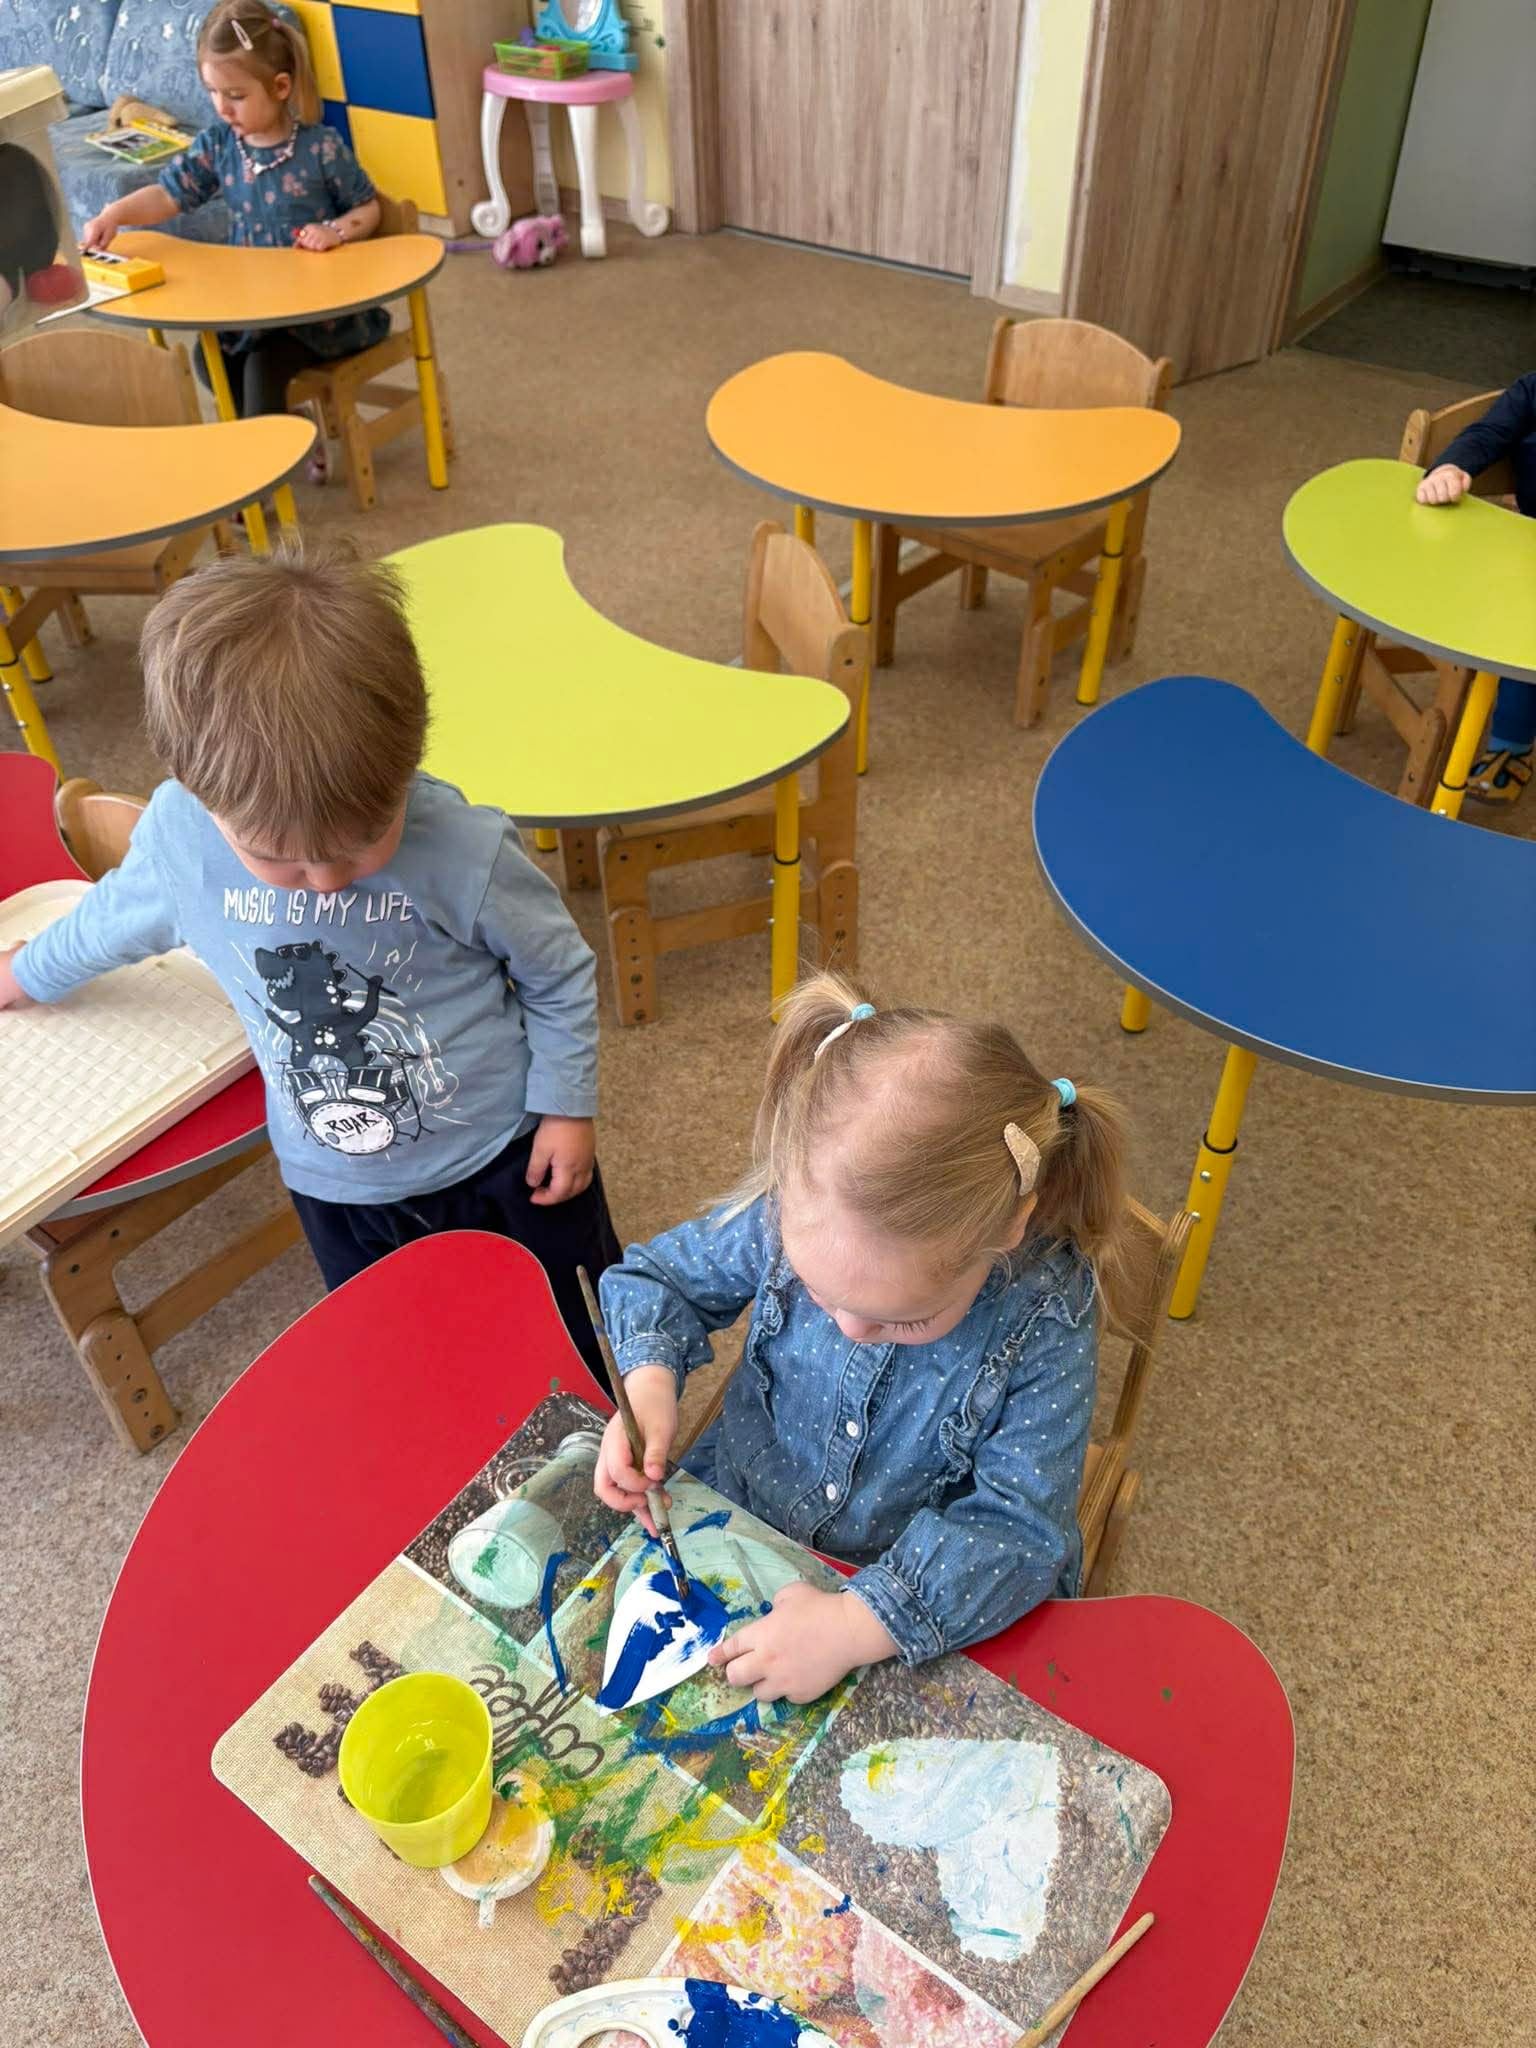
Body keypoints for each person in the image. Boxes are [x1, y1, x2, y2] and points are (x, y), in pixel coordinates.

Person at [0, 547, 622, 1379]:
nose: (327, 881)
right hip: (337, 1186)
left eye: (363, 843)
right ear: (199, 795)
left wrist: (567, 1108)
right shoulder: (182, 836)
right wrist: (25, 973)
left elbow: (558, 971)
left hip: (505, 1158)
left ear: (407, 762)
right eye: (280, 859)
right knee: (406, 1358)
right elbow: (111, 922)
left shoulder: (461, 847)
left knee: (575, 1339)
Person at [593, 972, 1138, 1704]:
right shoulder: (797, 1205)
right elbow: (659, 1281)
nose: (849, 1327)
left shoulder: (1047, 1314)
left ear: (1010, 1225)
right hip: (745, 1507)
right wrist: (648, 1385)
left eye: (903, 1319)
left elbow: (1018, 1532)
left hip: (918, 1597)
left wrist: (854, 1625)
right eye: (818, 1293)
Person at [80, 1, 387, 479]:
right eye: (213, 93)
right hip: (252, 310)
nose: (222, 108)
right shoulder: (220, 145)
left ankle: (258, 480)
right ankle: (284, 434)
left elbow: (369, 207)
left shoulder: (321, 148)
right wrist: (114, 215)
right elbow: (169, 194)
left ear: (280, 87)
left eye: (236, 95)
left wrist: (336, 231)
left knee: (261, 367)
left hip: (318, 318)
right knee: (210, 359)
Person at [1416, 375, 1536, 803]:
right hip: (1526, 554)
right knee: (1524, 620)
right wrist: (1451, 467)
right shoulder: (1531, 391)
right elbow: (1488, 433)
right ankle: (1511, 745)